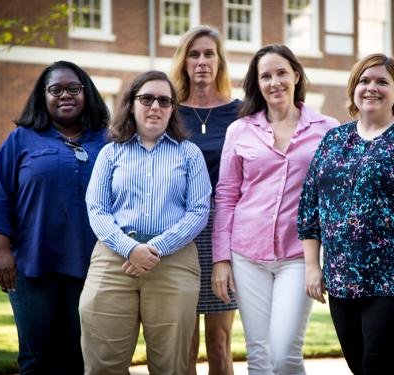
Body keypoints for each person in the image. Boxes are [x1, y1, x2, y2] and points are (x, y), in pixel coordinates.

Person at [297, 53, 394, 375]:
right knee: (360, 363)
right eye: (364, 81)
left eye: (382, 81)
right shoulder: (334, 140)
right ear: (353, 88)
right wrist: (313, 266)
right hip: (344, 277)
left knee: (380, 365)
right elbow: (309, 206)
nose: (372, 88)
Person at [212, 44, 339, 375]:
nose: (275, 82)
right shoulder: (239, 130)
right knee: (258, 354)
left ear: (296, 75)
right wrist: (221, 259)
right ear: (257, 84)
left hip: (298, 255)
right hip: (246, 253)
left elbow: (336, 197)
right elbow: (226, 195)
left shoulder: (328, 129)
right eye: (265, 76)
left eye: (281, 72)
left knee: (284, 354)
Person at [79, 70, 212, 375]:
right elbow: (96, 209)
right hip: (114, 260)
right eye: (147, 98)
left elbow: (198, 211)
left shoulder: (189, 154)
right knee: (103, 366)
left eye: (164, 100)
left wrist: (154, 248)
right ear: (131, 104)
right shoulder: (110, 153)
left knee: (171, 367)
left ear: (172, 109)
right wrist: (130, 248)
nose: (155, 106)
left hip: (173, 261)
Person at [0, 60, 110, 374]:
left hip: (92, 264)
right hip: (32, 264)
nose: (65, 95)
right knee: (36, 359)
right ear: (44, 95)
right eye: (56, 89)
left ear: (86, 93)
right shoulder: (21, 139)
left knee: (82, 358)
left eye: (73, 88)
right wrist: (1, 251)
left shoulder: (107, 141)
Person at [169, 25, 239, 375]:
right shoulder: (167, 112)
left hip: (224, 229)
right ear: (183, 62)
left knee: (219, 344)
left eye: (209, 53)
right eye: (193, 54)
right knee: (184, 344)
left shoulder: (242, 113)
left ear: (220, 61)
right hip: (178, 228)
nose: (201, 61)